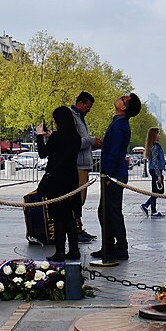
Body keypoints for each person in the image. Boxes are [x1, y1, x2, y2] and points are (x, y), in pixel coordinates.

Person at [92, 92, 141, 261]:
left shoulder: (120, 125)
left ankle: (120, 247)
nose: (121, 96)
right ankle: (109, 247)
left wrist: (108, 174)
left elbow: (114, 152)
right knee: (105, 211)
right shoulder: (119, 123)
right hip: (112, 174)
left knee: (111, 212)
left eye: (124, 98)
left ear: (123, 107)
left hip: (113, 175)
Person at [35, 105, 83, 261]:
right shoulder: (76, 137)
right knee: (70, 215)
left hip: (56, 180)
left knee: (58, 217)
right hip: (71, 179)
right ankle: (74, 249)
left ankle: (60, 251)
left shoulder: (56, 137)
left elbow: (43, 154)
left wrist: (40, 136)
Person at [70, 92, 101, 244]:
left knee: (80, 200)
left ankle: (78, 227)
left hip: (83, 165)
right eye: (88, 107)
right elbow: (74, 142)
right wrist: (90, 140)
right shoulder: (72, 118)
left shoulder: (80, 119)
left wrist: (92, 144)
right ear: (81, 103)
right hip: (78, 165)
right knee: (77, 199)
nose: (89, 110)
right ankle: (75, 229)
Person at [140, 127, 166, 218]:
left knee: (156, 191)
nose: (160, 135)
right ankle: (149, 208)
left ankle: (150, 208)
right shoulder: (155, 147)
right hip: (156, 170)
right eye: (158, 133)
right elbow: (155, 161)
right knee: (157, 191)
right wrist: (158, 175)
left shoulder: (154, 145)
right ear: (154, 135)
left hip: (155, 170)